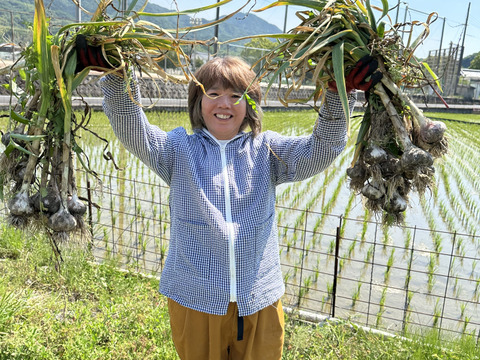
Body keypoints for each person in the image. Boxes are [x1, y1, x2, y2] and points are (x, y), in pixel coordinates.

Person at [77, 40, 380, 359]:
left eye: (237, 95)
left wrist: (338, 92)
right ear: (197, 101)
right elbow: (132, 127)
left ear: (251, 106)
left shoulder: (268, 151)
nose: (225, 103)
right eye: (213, 93)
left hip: (259, 298)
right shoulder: (178, 151)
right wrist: (116, 74)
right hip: (196, 300)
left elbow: (322, 150)